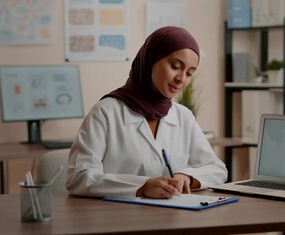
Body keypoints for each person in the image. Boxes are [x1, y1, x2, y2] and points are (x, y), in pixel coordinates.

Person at [65, 26, 228, 199]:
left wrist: (187, 176)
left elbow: (217, 169)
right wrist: (141, 187)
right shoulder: (106, 112)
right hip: (115, 219)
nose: (181, 79)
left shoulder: (183, 116)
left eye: (189, 73)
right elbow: (78, 178)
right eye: (175, 66)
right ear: (151, 60)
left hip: (171, 218)